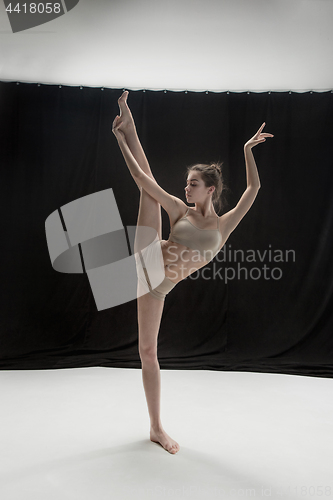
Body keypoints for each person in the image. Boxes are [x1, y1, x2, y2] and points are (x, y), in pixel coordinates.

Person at [112, 91, 273, 454]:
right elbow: (140, 176)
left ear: (210, 189)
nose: (185, 187)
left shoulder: (224, 225)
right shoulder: (178, 212)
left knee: (148, 352)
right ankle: (128, 118)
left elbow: (253, 188)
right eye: (186, 183)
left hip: (158, 285)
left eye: (192, 184)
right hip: (149, 257)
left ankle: (155, 428)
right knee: (148, 186)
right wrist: (121, 138)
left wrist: (247, 149)